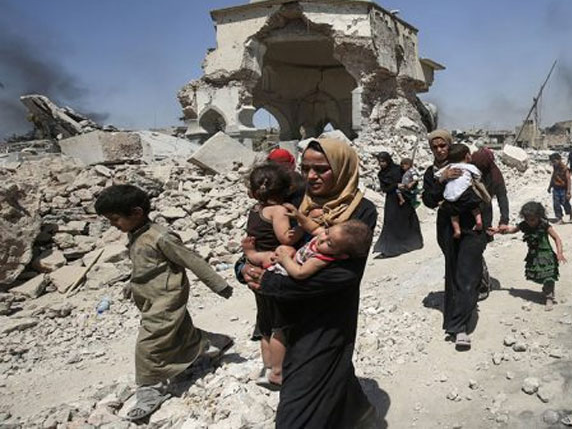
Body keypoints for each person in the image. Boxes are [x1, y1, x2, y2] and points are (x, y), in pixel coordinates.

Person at [242, 138, 380, 428]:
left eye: (321, 169)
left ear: (341, 168)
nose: (311, 176)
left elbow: (343, 274)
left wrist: (271, 283)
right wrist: (243, 267)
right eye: (305, 168)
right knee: (326, 374)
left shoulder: (360, 211)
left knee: (298, 403)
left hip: (326, 316)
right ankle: (359, 414)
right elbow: (259, 242)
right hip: (284, 313)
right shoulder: (291, 200)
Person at [94, 185, 233, 421]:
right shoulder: (137, 234)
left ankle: (150, 390)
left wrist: (218, 284)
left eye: (115, 219)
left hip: (166, 299)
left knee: (148, 344)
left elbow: (192, 260)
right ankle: (209, 343)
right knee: (179, 331)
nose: (113, 225)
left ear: (136, 213)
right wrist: (132, 283)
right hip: (149, 298)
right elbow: (146, 266)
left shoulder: (161, 237)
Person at [422, 130, 487, 350]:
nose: (439, 150)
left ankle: (459, 327)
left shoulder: (466, 165)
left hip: (471, 226)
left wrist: (486, 224)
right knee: (453, 272)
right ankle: (456, 314)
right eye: (435, 147)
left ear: (450, 145)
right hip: (448, 227)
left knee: (467, 274)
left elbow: (482, 193)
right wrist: (441, 180)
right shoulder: (432, 173)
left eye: (443, 146)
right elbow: (428, 201)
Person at [242, 162, 299, 391]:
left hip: (256, 271)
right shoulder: (278, 211)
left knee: (265, 325)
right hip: (272, 271)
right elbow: (285, 238)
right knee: (280, 326)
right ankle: (278, 372)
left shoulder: (255, 210)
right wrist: (303, 226)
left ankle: (267, 368)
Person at [493, 201, 566, 310]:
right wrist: (499, 231)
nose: (530, 222)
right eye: (527, 219)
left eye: (532, 220)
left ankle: (549, 297)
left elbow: (557, 238)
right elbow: (512, 230)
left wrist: (560, 253)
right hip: (534, 256)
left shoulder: (544, 225)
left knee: (549, 275)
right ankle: (547, 290)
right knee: (539, 275)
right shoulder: (524, 225)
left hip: (546, 254)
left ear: (539, 216)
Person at [245, 218, 373, 280]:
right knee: (284, 248)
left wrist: (284, 260)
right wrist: (300, 216)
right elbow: (314, 228)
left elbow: (300, 273)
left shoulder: (320, 259)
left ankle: (252, 255)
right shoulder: (326, 236)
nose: (322, 239)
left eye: (329, 244)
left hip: (287, 270)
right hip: (292, 257)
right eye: (327, 232)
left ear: (340, 255)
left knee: (269, 257)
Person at [470, 147, 510, 301]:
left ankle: (482, 284)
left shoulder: (495, 175)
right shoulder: (469, 170)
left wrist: (504, 220)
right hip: (467, 212)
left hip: (484, 213)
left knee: (477, 249)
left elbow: (502, 196)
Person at [372, 152, 424, 258]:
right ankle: (390, 249)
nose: (381, 164)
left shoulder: (399, 169)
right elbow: (384, 189)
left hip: (404, 199)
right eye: (380, 162)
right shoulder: (381, 174)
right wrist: (396, 185)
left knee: (407, 221)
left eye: (383, 161)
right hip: (392, 200)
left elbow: (411, 177)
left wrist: (410, 185)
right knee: (391, 223)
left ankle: (412, 243)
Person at [434, 143, 487, 239]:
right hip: (465, 193)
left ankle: (457, 230)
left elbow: (437, 175)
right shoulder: (469, 166)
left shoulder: (449, 167)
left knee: (453, 214)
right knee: (474, 207)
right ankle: (479, 221)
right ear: (467, 156)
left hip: (450, 196)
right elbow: (478, 174)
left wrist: (444, 176)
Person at [548, 153, 572, 223]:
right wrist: (550, 186)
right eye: (552, 161)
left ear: (559, 160)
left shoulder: (565, 169)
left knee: (565, 203)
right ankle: (559, 217)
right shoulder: (555, 168)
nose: (553, 163)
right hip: (556, 188)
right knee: (556, 204)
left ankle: (571, 213)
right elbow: (553, 177)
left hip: (563, 189)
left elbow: (568, 180)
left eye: (554, 161)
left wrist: (568, 192)